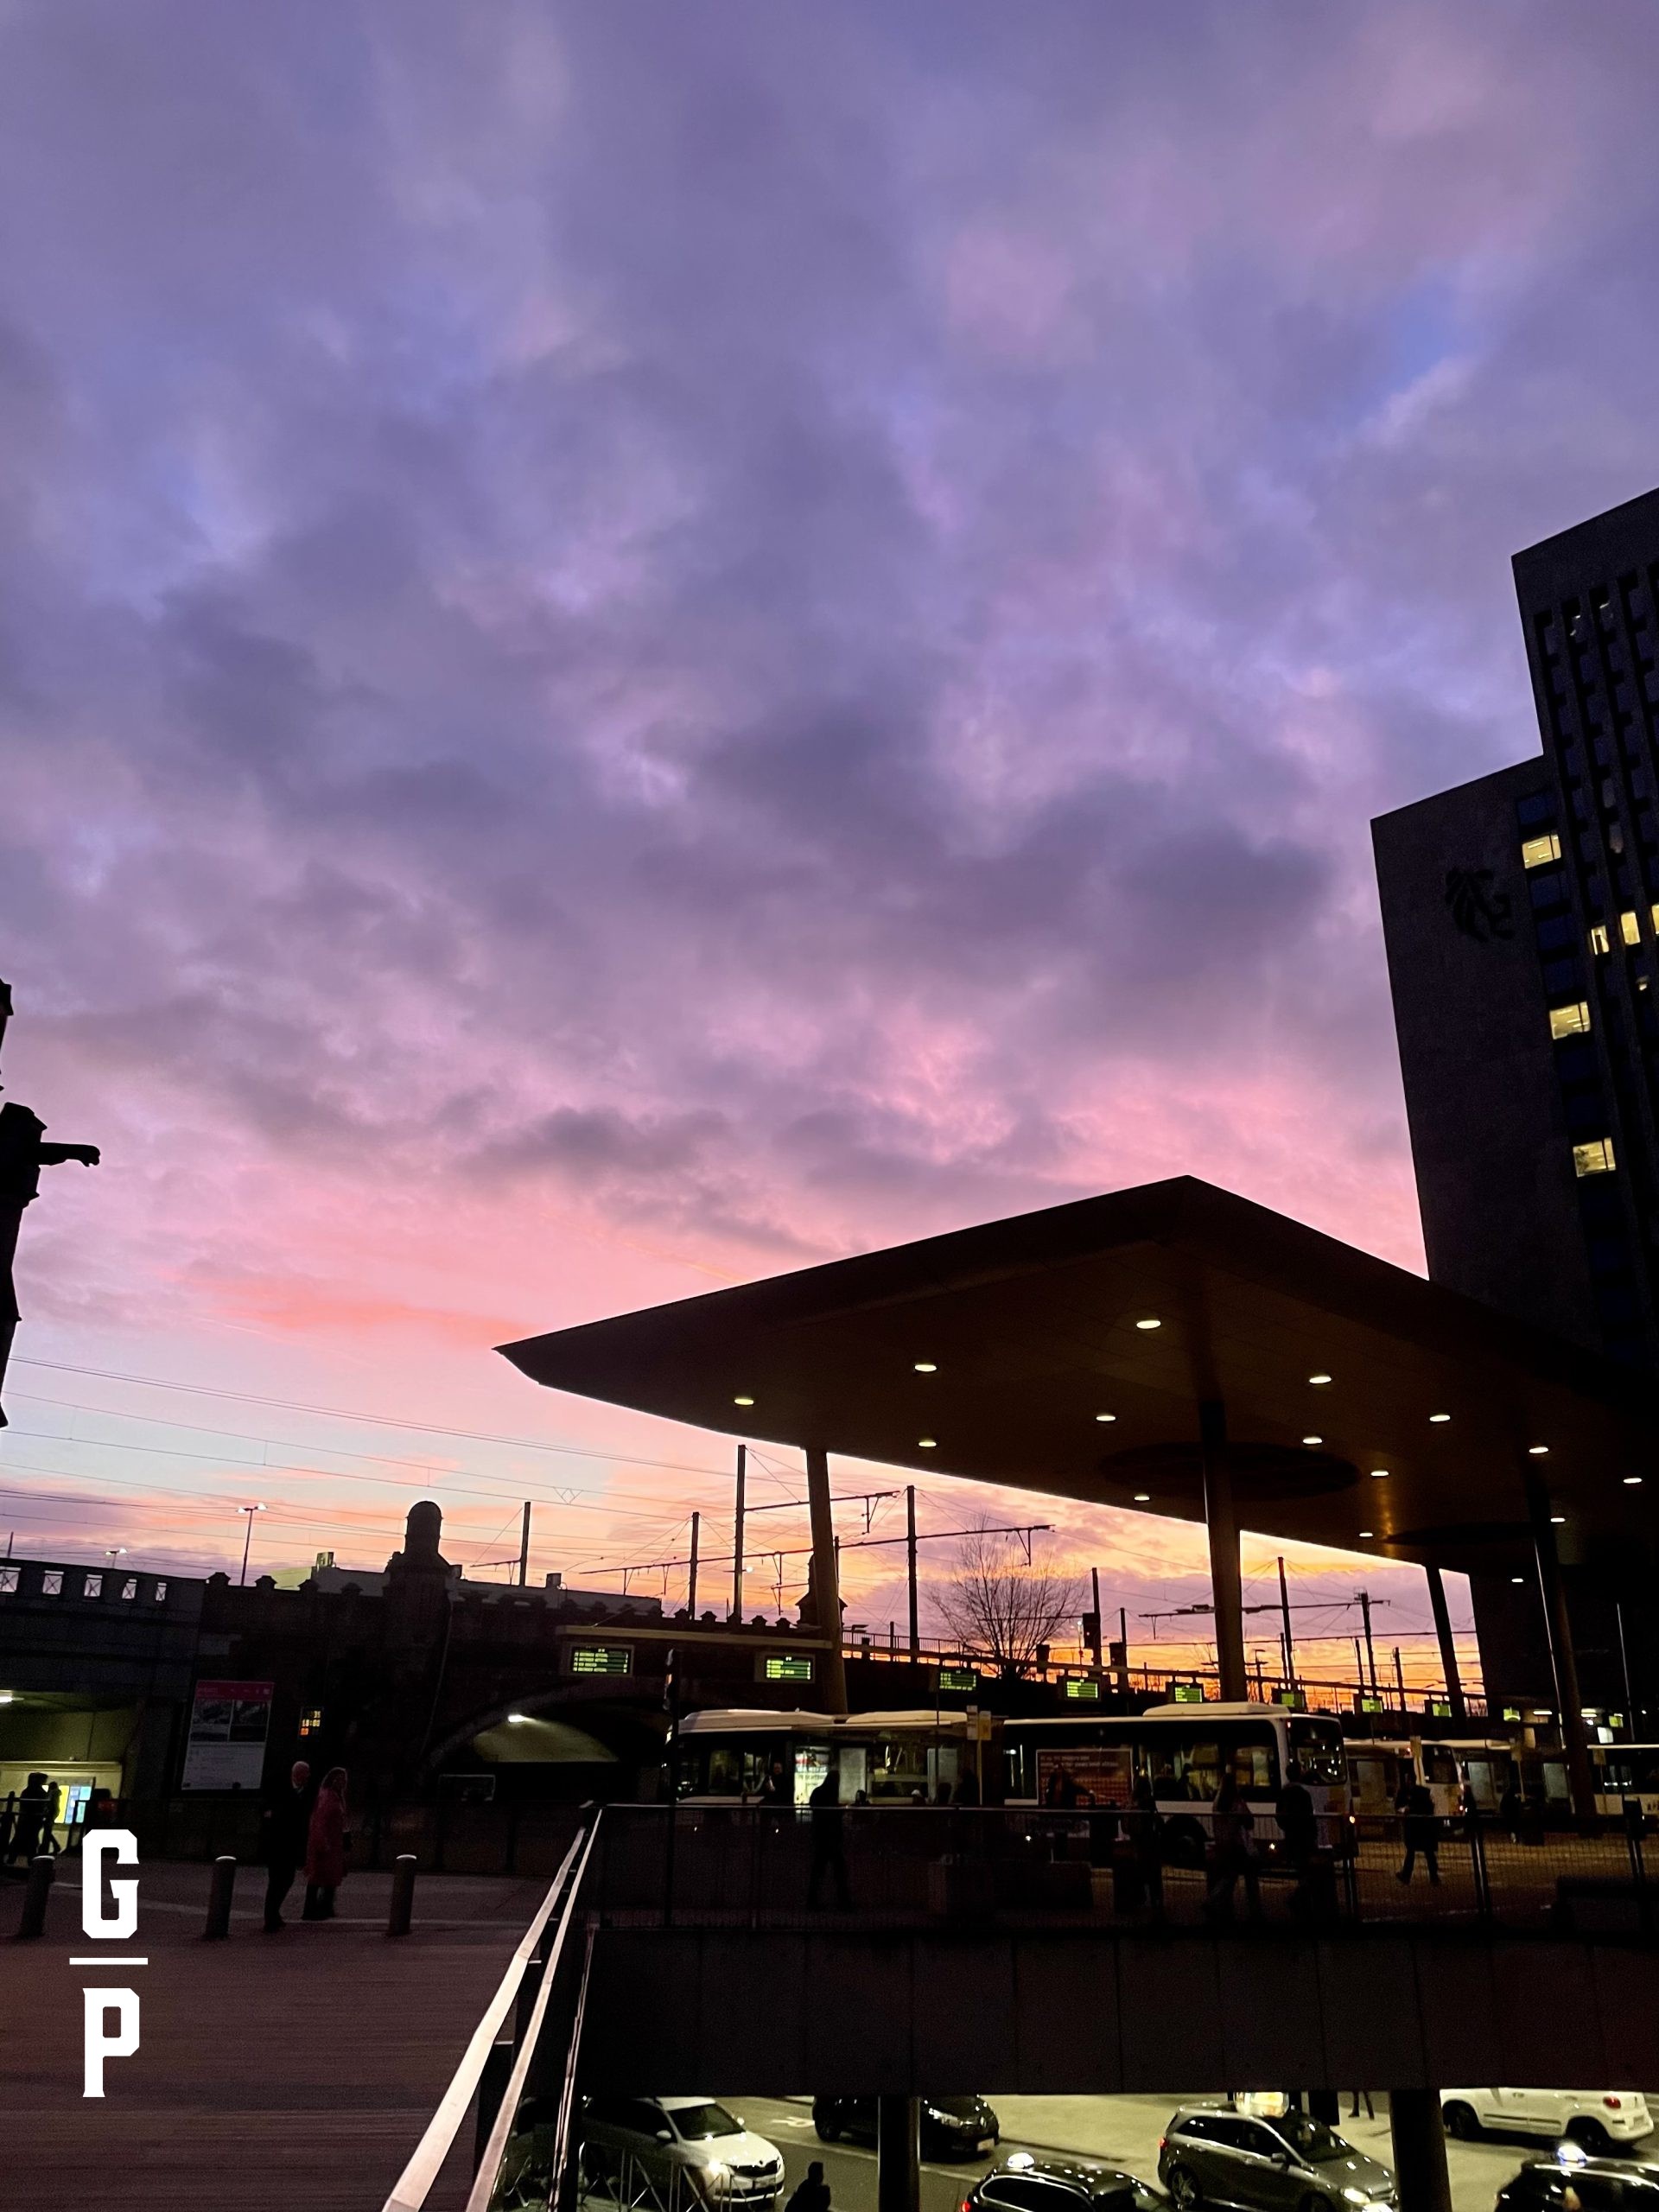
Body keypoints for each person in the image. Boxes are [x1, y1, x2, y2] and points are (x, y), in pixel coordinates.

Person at [260, 1759, 313, 1932]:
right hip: (277, 1844)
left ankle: (274, 1913)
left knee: (286, 1880)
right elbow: (268, 1813)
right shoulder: (280, 1790)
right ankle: (271, 1916)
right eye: (305, 1773)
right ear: (297, 1774)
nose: (308, 1777)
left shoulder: (305, 1793)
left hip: (291, 1844)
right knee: (276, 1881)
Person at [1205, 1772, 1261, 1922]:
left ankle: (1220, 1905)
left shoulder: (1217, 1802)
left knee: (1229, 1877)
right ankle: (1254, 1911)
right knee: (1248, 1877)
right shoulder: (1237, 1802)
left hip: (1223, 1845)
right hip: (1237, 1846)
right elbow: (1249, 1822)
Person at [302, 1765, 349, 1920]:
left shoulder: (333, 1796)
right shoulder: (328, 1797)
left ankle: (322, 1907)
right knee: (319, 1876)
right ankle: (313, 1909)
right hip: (327, 1841)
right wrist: (322, 1842)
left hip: (332, 1841)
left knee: (325, 1876)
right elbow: (320, 1821)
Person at [1275, 1759, 1318, 1904]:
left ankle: (1301, 1895)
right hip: (1304, 1836)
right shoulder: (1303, 1793)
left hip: (1291, 1835)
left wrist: (1287, 1827)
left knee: (1301, 1867)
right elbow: (1309, 1816)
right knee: (1307, 1868)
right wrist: (1313, 1834)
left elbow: (1279, 1815)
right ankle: (1300, 1897)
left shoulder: (1284, 1792)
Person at [807, 1767, 849, 1908]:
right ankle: (844, 1901)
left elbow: (812, 1805)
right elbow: (834, 1815)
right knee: (840, 1871)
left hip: (820, 1836)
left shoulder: (818, 1792)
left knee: (818, 1871)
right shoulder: (832, 1795)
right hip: (832, 1838)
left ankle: (812, 1901)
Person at [1127, 1772, 1165, 1921]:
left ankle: (1139, 1899)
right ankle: (1156, 1901)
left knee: (1140, 1870)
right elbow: (1156, 1820)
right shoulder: (1149, 1802)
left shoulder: (1133, 1803)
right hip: (1150, 1840)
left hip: (1138, 1841)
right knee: (1154, 1872)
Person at [1395, 1766, 1440, 1885]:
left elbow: (1427, 1807)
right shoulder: (1422, 1792)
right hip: (1421, 1826)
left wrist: (1409, 1810)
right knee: (1424, 1852)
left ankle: (1407, 1875)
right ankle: (1432, 1877)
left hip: (1417, 1826)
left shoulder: (1410, 1792)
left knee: (1418, 1852)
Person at [5, 1773, 52, 1866]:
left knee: (19, 1840)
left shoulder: (27, 1791)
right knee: (32, 1841)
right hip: (33, 1820)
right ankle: (31, 1861)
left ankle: (12, 1859)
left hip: (25, 1820)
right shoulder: (40, 1793)